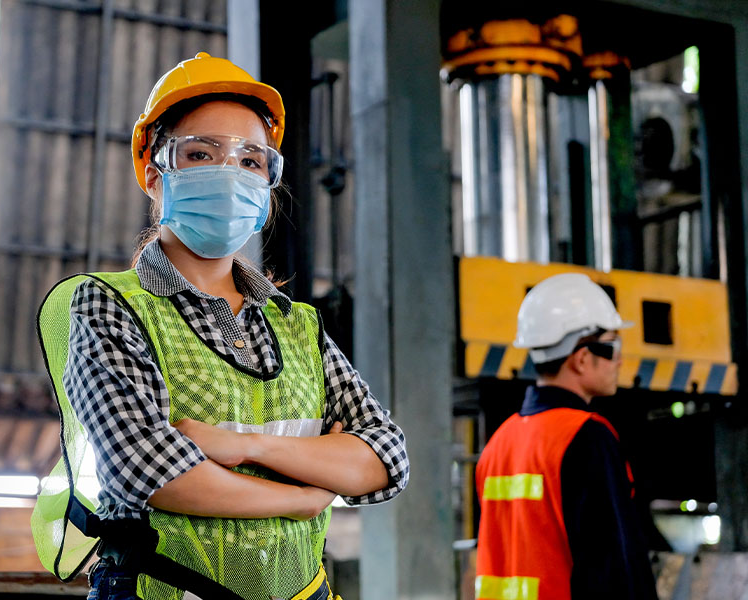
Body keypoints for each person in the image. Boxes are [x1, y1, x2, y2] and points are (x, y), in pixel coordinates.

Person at [32, 52, 409, 600]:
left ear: (267, 187)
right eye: (201, 153)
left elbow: (385, 458)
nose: (230, 174)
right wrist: (302, 495)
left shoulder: (296, 324)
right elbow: (151, 472)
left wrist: (238, 446)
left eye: (252, 161)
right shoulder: (109, 306)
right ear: (153, 174)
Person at [474, 273, 657, 600]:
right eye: (613, 345)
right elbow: (615, 568)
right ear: (582, 358)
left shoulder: (498, 444)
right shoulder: (586, 437)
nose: (620, 360)